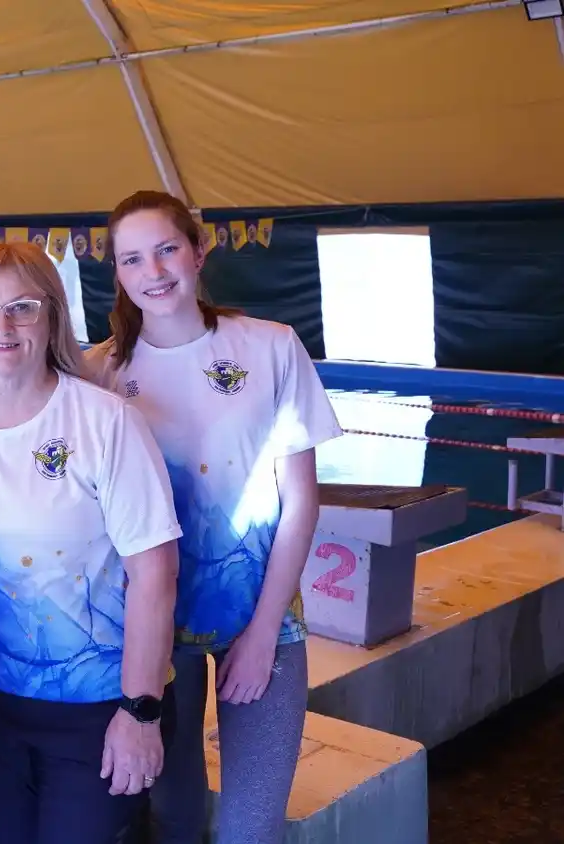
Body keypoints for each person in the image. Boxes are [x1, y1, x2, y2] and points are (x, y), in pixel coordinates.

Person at [0, 240, 182, 844]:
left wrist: (140, 710)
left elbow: (156, 574)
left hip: (102, 707)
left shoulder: (105, 422)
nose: (3, 326)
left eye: (22, 307)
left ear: (52, 317)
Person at [83, 190, 344, 844]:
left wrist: (263, 633)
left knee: (251, 827)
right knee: (174, 814)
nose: (153, 271)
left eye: (167, 249)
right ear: (118, 272)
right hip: (152, 630)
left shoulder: (271, 347)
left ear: (199, 251)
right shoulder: (99, 371)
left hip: (261, 616)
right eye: (132, 259)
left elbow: (300, 501)